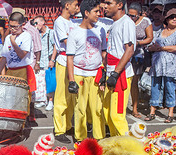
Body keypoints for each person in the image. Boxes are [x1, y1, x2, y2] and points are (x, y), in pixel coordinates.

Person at [67, 0, 107, 142]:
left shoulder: (100, 30)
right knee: (80, 109)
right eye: (96, 11)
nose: (99, 14)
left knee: (97, 109)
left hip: (96, 75)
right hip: (79, 75)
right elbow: (70, 58)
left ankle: (99, 138)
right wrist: (71, 81)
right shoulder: (74, 33)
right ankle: (80, 138)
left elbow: (104, 53)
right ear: (86, 13)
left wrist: (104, 73)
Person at [145, 8, 176, 123]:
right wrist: (153, 48)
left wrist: (161, 48)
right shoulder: (160, 31)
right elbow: (152, 45)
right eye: (172, 17)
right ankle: (152, 111)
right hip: (157, 63)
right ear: (167, 19)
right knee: (155, 86)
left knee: (170, 87)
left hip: (171, 64)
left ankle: (170, 113)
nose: (174, 19)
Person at [103, 0, 136, 137]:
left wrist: (115, 74)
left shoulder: (126, 22)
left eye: (109, 3)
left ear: (119, 5)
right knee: (107, 112)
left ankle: (129, 147)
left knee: (116, 114)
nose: (105, 6)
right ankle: (117, 143)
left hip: (120, 74)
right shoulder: (113, 24)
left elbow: (129, 50)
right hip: (111, 72)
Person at [52, 0, 79, 143]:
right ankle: (59, 129)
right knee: (61, 96)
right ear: (67, 5)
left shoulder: (73, 22)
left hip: (73, 61)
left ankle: (68, 125)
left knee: (71, 97)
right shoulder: (60, 22)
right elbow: (67, 42)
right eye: (75, 4)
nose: (77, 7)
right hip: (63, 60)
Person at [0, 12, 36, 96]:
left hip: (23, 70)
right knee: (10, 96)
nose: (12, 29)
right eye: (10, 26)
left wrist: (13, 42)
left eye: (15, 27)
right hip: (11, 70)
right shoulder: (8, 38)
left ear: (22, 25)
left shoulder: (26, 36)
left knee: (22, 96)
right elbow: (4, 57)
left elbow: (22, 55)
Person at [128, 2, 153, 119]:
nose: (131, 18)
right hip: (125, 52)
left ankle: (134, 108)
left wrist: (138, 42)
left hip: (138, 54)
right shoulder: (126, 21)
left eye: (134, 16)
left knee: (134, 81)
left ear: (139, 14)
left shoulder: (146, 22)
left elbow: (150, 38)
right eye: (129, 15)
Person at [33, 15, 55, 110]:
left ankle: (51, 101)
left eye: (36, 23)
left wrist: (52, 60)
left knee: (49, 81)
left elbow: (55, 47)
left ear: (42, 23)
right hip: (40, 61)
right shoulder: (36, 33)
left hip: (48, 60)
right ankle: (43, 100)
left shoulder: (51, 33)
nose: (35, 25)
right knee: (41, 82)